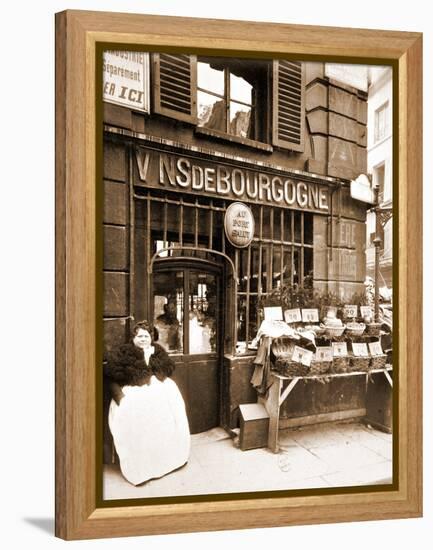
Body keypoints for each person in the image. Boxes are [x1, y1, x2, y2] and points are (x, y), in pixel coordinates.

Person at [104, 321, 190, 486]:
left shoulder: (158, 351)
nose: (143, 339)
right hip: (133, 393)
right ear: (134, 338)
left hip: (159, 393)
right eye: (139, 336)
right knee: (139, 425)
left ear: (152, 337)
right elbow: (110, 377)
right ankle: (143, 468)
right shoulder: (123, 353)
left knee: (167, 420)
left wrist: (152, 366)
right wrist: (121, 398)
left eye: (146, 336)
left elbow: (165, 370)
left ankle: (168, 460)